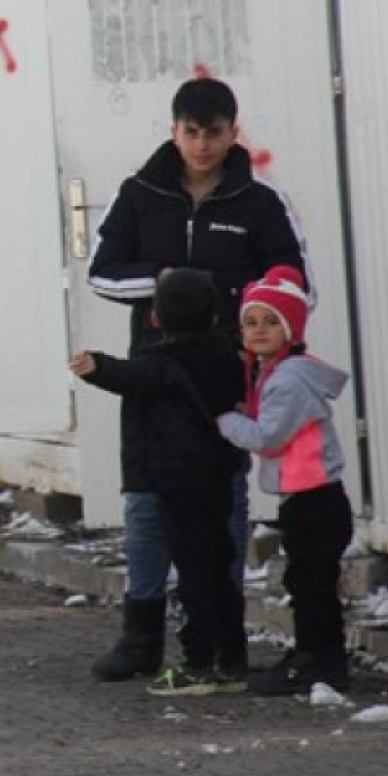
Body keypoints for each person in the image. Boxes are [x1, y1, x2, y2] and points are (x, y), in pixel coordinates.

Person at [85, 76, 308, 681]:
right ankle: (141, 634)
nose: (202, 144)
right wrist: (170, 282)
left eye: (214, 132)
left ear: (234, 132)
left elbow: (293, 285)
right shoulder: (139, 194)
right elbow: (101, 274)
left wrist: (221, 299)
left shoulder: (261, 203)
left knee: (221, 503)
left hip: (223, 375)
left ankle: (220, 635)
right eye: (191, 132)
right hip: (149, 375)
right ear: (174, 131)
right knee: (144, 501)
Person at [70, 269, 250, 696]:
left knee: (192, 573)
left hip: (177, 481)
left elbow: (133, 376)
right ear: (214, 317)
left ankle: (197, 664)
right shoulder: (229, 356)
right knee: (222, 567)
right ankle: (233, 660)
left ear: (154, 318)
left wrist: (95, 365)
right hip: (220, 475)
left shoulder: (163, 362)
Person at [217, 266, 353, 695]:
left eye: (271, 322)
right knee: (306, 582)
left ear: (291, 329)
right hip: (307, 498)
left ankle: (318, 662)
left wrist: (225, 420)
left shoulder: (289, 380)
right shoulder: (278, 373)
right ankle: (314, 655)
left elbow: (269, 438)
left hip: (316, 500)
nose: (259, 331)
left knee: (311, 585)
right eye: (250, 322)